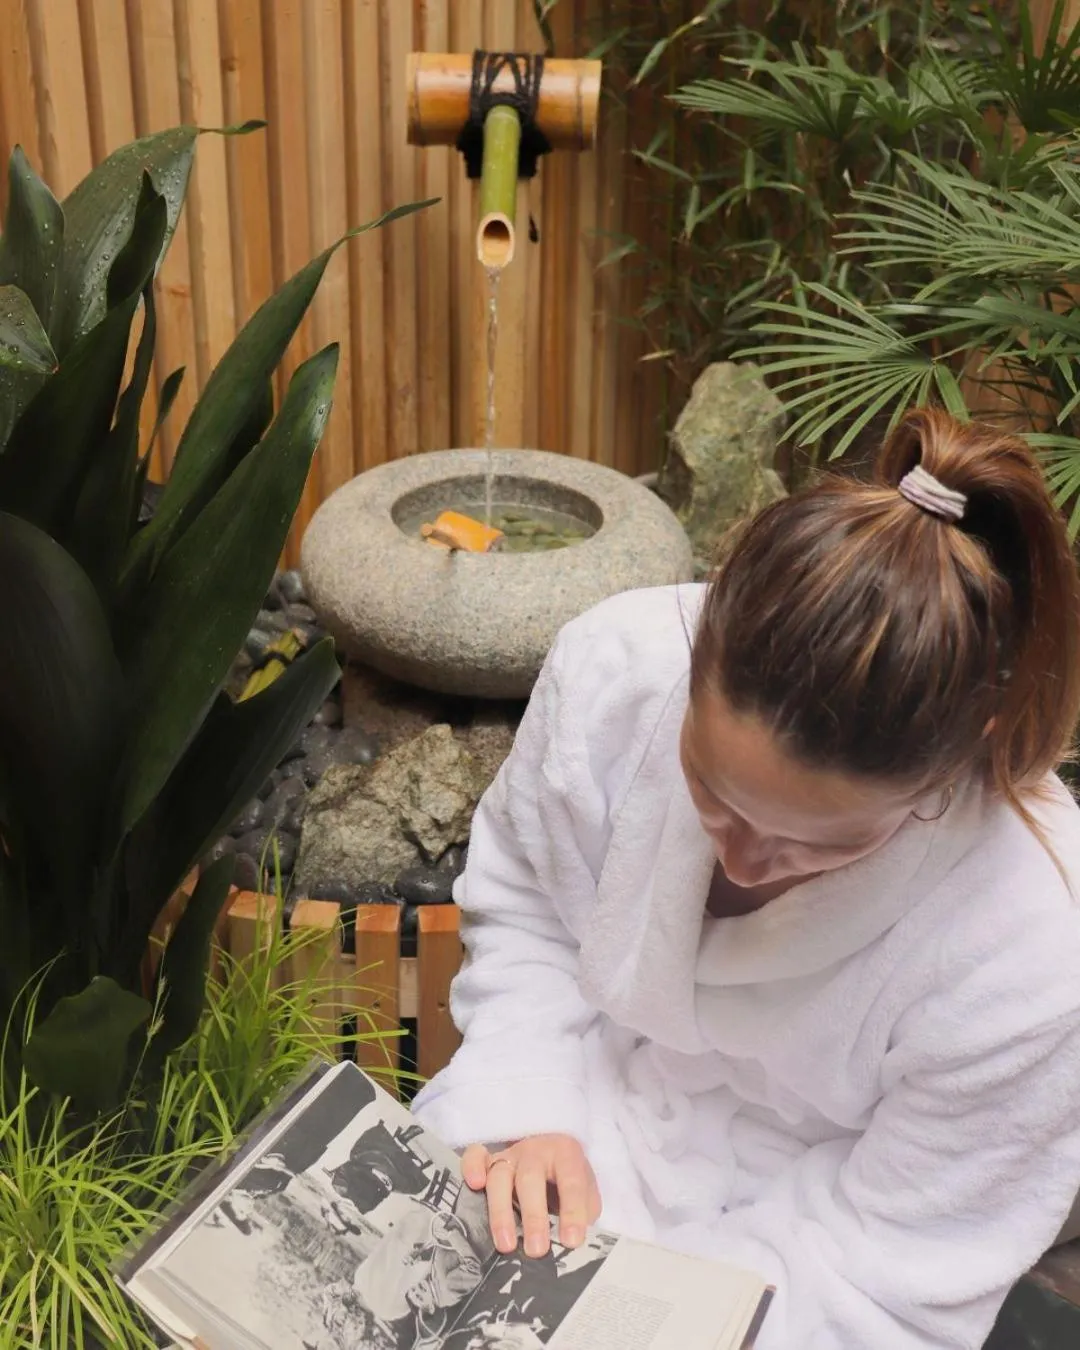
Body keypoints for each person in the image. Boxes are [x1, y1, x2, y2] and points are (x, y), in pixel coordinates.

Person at [413, 410, 1080, 1350]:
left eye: (817, 845)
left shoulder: (1034, 940)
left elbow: (899, 1260)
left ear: (950, 774)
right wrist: (526, 1109)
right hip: (578, 1103)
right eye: (711, 795)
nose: (742, 860)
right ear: (694, 661)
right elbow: (530, 906)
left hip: (805, 1263)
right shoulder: (616, 675)